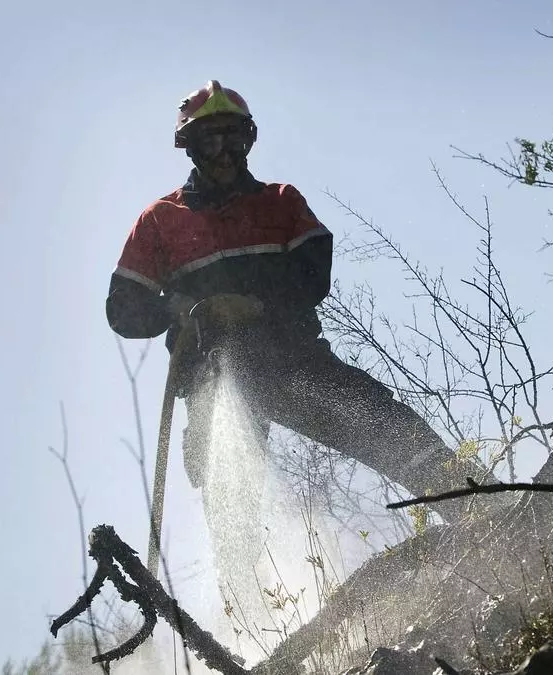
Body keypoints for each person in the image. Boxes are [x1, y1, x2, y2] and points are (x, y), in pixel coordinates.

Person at [105, 80, 483, 520]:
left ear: (249, 139)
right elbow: (122, 308)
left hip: (294, 358)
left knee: (386, 425)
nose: (225, 152)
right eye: (212, 140)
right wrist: (179, 308)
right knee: (232, 498)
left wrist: (254, 305)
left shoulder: (281, 202)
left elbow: (312, 274)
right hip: (213, 375)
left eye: (235, 138)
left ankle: (481, 506)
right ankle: (243, 568)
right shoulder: (160, 221)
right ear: (190, 147)